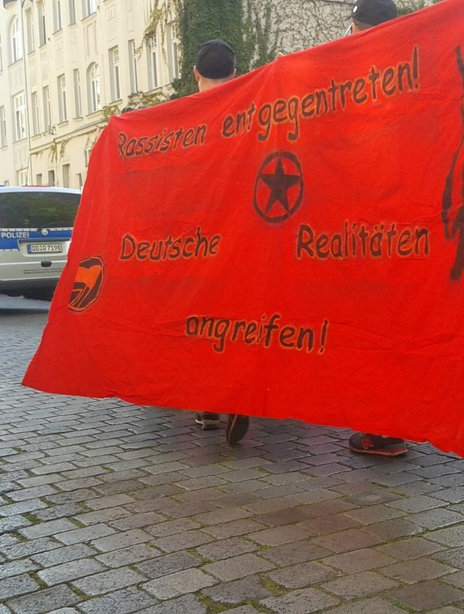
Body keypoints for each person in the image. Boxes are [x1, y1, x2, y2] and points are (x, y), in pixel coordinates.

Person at [345, 0, 407, 458]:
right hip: (406, 234)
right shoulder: (417, 72)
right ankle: (393, 421)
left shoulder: (362, 84)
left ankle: (382, 430)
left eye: (352, 29)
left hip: (373, 236)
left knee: (376, 333)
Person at [188, 39, 250, 445]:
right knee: (240, 319)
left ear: (196, 74)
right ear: (235, 74)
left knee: (201, 321)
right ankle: (240, 393)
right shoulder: (251, 112)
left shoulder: (181, 119)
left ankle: (209, 403)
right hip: (243, 238)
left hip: (197, 241)